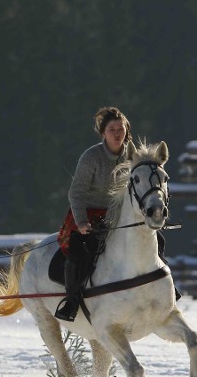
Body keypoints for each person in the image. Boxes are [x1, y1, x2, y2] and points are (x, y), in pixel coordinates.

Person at [54, 107, 137, 322]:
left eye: (121, 129)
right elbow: (76, 193)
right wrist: (81, 222)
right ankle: (72, 302)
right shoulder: (91, 157)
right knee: (79, 252)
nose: (117, 133)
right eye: (112, 129)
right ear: (103, 133)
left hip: (119, 213)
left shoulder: (133, 155)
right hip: (88, 213)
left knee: (156, 240)